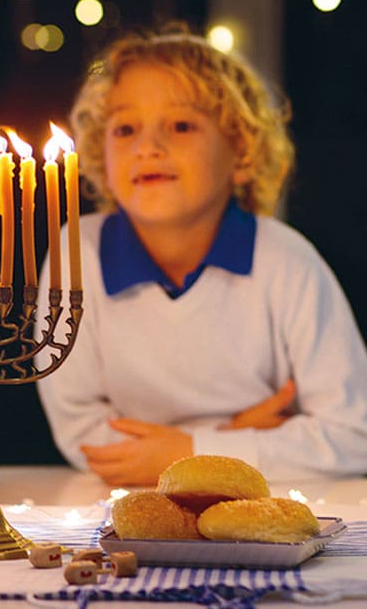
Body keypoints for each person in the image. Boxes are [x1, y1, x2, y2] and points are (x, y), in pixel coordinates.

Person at [36, 24, 367, 486]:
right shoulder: (79, 255)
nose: (148, 147)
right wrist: (229, 437)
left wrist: (188, 450)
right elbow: (85, 437)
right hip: (132, 510)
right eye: (126, 128)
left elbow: (353, 434)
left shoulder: (286, 261)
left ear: (241, 151)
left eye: (181, 125)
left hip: (266, 503)